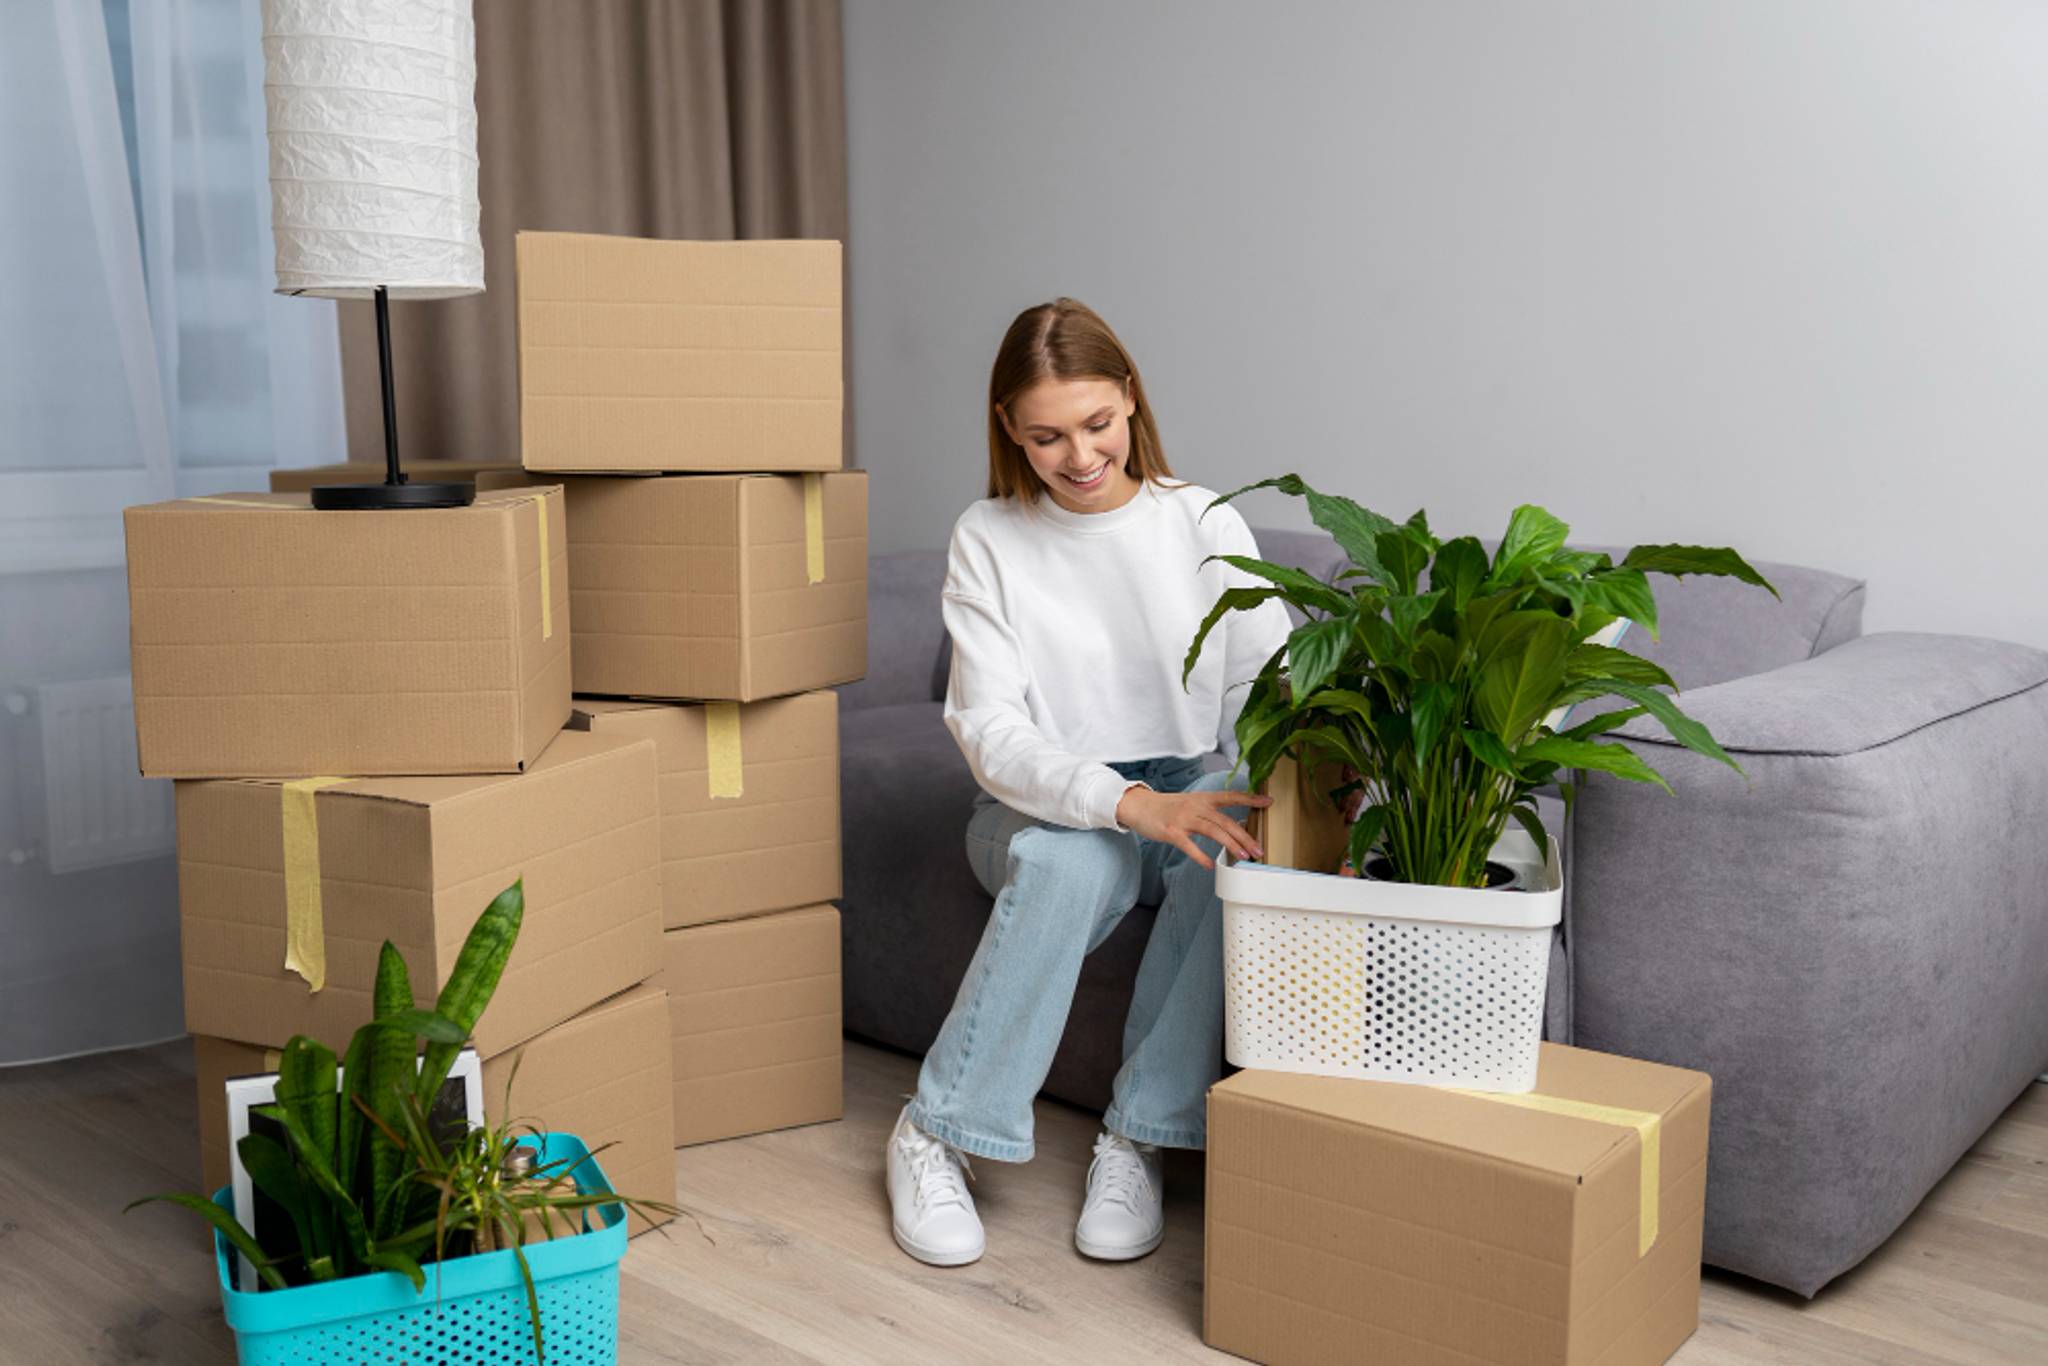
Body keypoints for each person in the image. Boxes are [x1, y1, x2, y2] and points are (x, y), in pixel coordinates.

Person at [885, 297, 1293, 1267]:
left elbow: (1268, 689)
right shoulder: (987, 537)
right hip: (1036, 807)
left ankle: (1137, 1135)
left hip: (1189, 784)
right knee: (1074, 868)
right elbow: (989, 731)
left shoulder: (1202, 520)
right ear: (1007, 431)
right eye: (1046, 436)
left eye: (1095, 424)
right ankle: (933, 1132)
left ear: (1127, 397)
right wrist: (1125, 803)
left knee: (1224, 861)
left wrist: (1284, 792)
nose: (1077, 456)